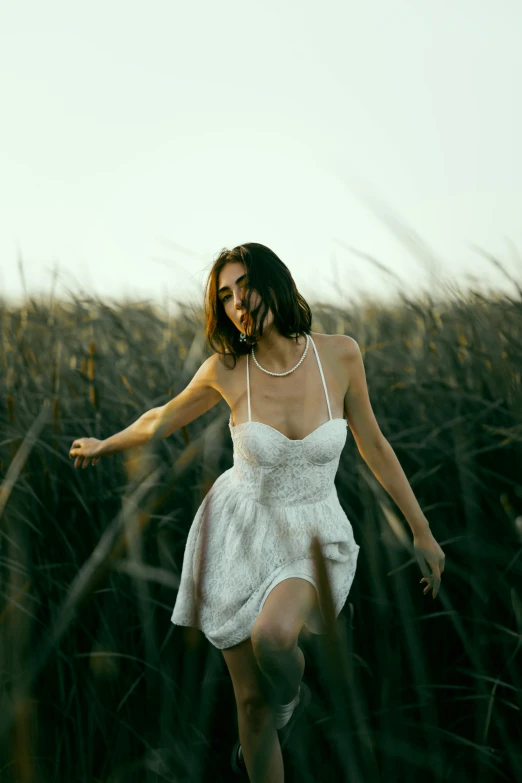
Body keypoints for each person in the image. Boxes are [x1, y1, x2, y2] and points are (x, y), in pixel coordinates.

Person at [69, 242, 445, 782]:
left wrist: (422, 530)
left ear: (276, 284)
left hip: (312, 532)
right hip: (237, 532)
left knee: (274, 638)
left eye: (245, 286)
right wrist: (105, 443)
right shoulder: (228, 369)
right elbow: (160, 419)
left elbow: (375, 445)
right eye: (225, 296)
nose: (238, 302)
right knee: (250, 706)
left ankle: (291, 701)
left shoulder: (339, 354)